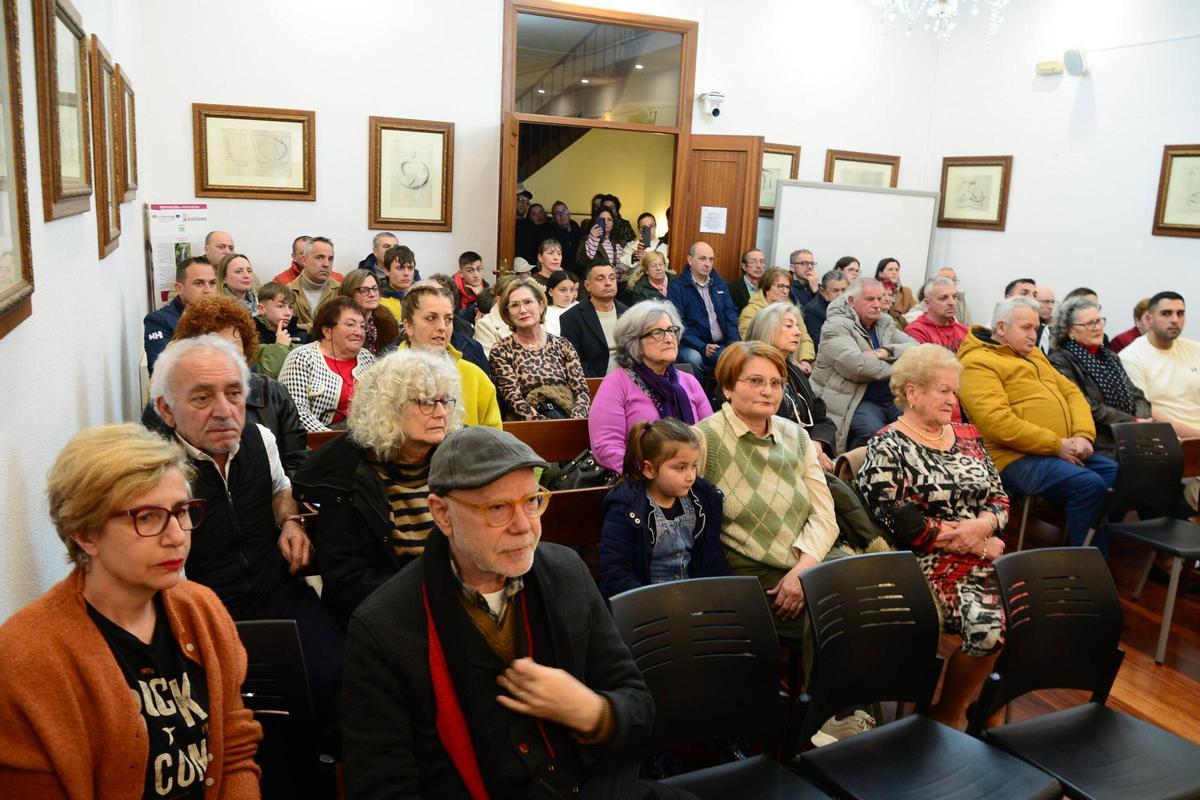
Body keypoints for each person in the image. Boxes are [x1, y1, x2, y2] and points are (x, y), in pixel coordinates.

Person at [341, 426, 656, 798]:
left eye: (532, 501)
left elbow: (639, 707)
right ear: (441, 514)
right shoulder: (383, 626)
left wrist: (592, 712)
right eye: (498, 508)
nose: (524, 527)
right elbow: (382, 787)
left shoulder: (566, 572)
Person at [0, 424, 263, 798]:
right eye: (147, 517)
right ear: (85, 534)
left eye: (182, 511)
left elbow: (234, 750)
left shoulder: (202, 610)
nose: (176, 536)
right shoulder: (27, 656)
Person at [151, 335, 344, 752]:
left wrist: (290, 520)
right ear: (167, 409)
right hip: (209, 615)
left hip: (279, 595)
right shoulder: (157, 471)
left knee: (340, 673)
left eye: (234, 393)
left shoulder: (260, 439)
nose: (224, 411)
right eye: (202, 398)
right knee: (244, 718)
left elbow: (280, 487)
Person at [857, 344, 1008, 727]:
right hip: (925, 560)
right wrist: (972, 539)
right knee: (989, 631)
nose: (952, 399)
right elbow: (897, 518)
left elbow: (999, 496)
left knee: (1036, 617)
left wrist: (985, 526)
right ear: (912, 391)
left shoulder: (967, 435)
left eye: (954, 392)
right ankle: (948, 713)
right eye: (943, 391)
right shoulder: (887, 444)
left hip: (982, 550)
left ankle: (988, 708)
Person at [292, 350, 463, 628]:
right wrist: (432, 594)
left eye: (444, 401)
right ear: (389, 408)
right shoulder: (345, 474)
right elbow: (346, 581)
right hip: (385, 616)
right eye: (426, 402)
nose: (442, 412)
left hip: (455, 606)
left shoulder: (458, 459)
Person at [694, 342, 839, 647]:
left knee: (874, 604)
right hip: (750, 574)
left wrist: (803, 570)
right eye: (756, 381)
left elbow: (825, 515)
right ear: (728, 388)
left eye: (776, 383)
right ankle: (830, 695)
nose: (768, 391)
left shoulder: (796, 435)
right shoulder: (704, 438)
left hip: (809, 562)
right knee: (835, 620)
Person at [959, 297, 1118, 550]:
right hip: (1011, 457)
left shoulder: (1034, 356)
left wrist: (1083, 436)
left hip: (1059, 448)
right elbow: (998, 424)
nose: (1034, 334)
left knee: (1114, 474)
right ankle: (1084, 563)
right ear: (1001, 328)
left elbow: (1073, 394)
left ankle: (1084, 547)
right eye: (1026, 328)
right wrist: (1057, 445)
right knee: (1088, 485)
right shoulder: (977, 362)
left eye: (1036, 327)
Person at [141, 294, 308, 477]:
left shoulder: (274, 392)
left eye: (236, 343)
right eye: (218, 345)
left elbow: (297, 461)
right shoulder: (168, 401)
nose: (230, 353)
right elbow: (155, 470)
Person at [599, 418, 729, 598]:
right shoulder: (627, 508)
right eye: (681, 468)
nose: (691, 476)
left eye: (693, 466)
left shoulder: (700, 502)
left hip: (696, 599)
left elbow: (712, 559)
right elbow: (615, 570)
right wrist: (651, 603)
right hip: (647, 606)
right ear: (649, 470)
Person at [589, 301, 712, 472]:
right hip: (641, 481)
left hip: (693, 478)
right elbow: (606, 446)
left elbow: (710, 437)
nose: (669, 338)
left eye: (671, 330)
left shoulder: (689, 382)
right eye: (657, 333)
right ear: (634, 342)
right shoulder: (616, 384)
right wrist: (648, 476)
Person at [811, 278, 917, 452]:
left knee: (915, 427)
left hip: (889, 396)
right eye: (869, 299)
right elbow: (859, 367)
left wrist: (883, 352)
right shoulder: (836, 325)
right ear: (852, 301)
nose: (877, 305)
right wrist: (900, 367)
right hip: (851, 398)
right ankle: (851, 473)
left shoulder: (884, 322)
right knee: (874, 433)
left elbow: (915, 349)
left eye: (879, 299)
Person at [1048, 296, 1152, 456]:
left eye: (1099, 321)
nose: (1097, 328)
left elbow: (1136, 394)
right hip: (1099, 440)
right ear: (1070, 330)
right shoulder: (1059, 361)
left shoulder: (1109, 356)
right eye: (1090, 323)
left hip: (1133, 433)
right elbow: (1084, 404)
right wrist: (1132, 422)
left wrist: (1142, 419)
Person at [400, 281, 503, 429]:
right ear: (408, 326)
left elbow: (494, 442)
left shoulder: (476, 377)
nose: (442, 327)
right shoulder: (382, 377)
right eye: (431, 318)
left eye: (448, 319)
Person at [746, 302, 836, 467]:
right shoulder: (750, 375)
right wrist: (809, 452)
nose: (798, 332)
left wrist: (817, 444)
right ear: (768, 331)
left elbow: (819, 415)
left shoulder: (793, 371)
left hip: (807, 452)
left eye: (797, 326)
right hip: (773, 460)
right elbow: (763, 430)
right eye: (789, 326)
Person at [489, 279, 590, 420]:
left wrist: (574, 421)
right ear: (508, 313)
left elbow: (581, 391)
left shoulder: (562, 345)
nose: (522, 310)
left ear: (541, 306)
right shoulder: (501, 350)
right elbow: (513, 399)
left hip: (568, 419)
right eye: (515, 305)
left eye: (528, 302)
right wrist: (546, 425)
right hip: (527, 428)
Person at [279, 296, 378, 432]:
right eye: (350, 324)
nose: (359, 332)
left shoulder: (368, 358)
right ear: (327, 331)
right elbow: (297, 412)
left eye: (362, 326)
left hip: (365, 438)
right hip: (316, 443)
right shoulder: (302, 357)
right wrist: (331, 441)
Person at [1120, 291, 1200, 439]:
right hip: (1167, 442)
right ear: (1149, 319)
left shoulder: (1196, 350)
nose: (1175, 320)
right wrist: (1196, 436)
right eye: (1166, 313)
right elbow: (1147, 413)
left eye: (1180, 313)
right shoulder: (1131, 357)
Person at [668, 241, 741, 377]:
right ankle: (697, 397)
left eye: (711, 259)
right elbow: (677, 324)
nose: (708, 263)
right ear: (690, 260)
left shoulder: (719, 283)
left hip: (720, 344)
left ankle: (724, 397)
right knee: (694, 359)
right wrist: (702, 346)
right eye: (702, 259)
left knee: (739, 356)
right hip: (691, 345)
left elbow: (731, 315)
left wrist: (733, 344)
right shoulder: (678, 287)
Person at [144, 256, 217, 374]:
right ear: (179, 288)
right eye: (199, 283)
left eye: (212, 283)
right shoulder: (159, 321)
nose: (208, 290)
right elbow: (160, 370)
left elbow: (248, 363)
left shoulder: (226, 315)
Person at [736, 268, 816, 371]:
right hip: (765, 366)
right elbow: (754, 344)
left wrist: (805, 360)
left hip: (794, 367)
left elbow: (805, 338)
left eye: (787, 287)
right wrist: (794, 365)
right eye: (780, 286)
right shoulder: (751, 312)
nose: (785, 291)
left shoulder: (792, 311)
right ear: (767, 288)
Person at [559, 262, 628, 377]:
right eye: (601, 279)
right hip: (593, 385)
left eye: (612, 278)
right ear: (587, 286)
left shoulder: (628, 313)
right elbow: (573, 362)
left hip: (628, 383)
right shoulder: (571, 318)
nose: (608, 283)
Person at [338, 268, 401, 357]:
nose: (372, 294)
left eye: (375, 289)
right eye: (364, 290)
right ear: (350, 293)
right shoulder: (338, 324)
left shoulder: (388, 323)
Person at [255, 281, 310, 379]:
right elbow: (268, 375)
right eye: (280, 306)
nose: (288, 313)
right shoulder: (252, 335)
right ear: (262, 309)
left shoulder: (302, 335)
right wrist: (280, 346)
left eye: (290, 307)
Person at [288, 236, 341, 332]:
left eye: (330, 259)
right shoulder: (288, 292)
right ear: (304, 260)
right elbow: (286, 329)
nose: (326, 264)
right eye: (319, 257)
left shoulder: (341, 291)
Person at [904, 276, 969, 351]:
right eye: (943, 298)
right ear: (927, 303)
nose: (952, 303)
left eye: (954, 297)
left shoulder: (964, 331)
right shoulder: (916, 332)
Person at [272, 235, 346, 285]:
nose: (326, 264)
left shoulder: (338, 279)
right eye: (302, 253)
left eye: (330, 258)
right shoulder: (280, 281)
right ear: (294, 256)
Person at [803, 268, 848, 350]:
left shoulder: (852, 305)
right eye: (835, 291)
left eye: (844, 290)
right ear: (822, 291)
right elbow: (820, 343)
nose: (840, 295)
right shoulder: (813, 311)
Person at [473, 275, 518, 357]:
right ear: (499, 300)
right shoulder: (485, 324)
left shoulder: (529, 317)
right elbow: (490, 360)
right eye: (512, 297)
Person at [378, 244, 419, 320]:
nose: (406, 273)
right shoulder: (376, 298)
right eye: (400, 268)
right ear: (387, 271)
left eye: (410, 268)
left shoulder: (422, 296)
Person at [576, 207, 619, 275]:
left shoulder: (620, 243)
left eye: (609, 219)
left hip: (617, 283)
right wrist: (593, 238)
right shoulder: (586, 240)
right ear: (596, 221)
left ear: (613, 222)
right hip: (596, 281)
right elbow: (582, 262)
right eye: (602, 220)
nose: (606, 222)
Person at [876, 257, 915, 329]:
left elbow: (916, 310)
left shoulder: (906, 292)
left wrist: (903, 318)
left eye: (897, 270)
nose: (894, 273)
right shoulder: (871, 290)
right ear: (880, 273)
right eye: (890, 269)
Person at [217, 252, 258, 317]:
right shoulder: (219, 308)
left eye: (249, 271)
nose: (247, 275)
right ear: (224, 278)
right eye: (238, 272)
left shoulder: (258, 303)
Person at [548, 200, 583, 277]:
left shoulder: (577, 229)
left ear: (569, 214)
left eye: (564, 211)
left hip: (579, 274)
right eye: (557, 213)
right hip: (560, 274)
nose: (561, 215)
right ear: (554, 217)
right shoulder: (550, 234)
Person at [543, 269, 578, 336]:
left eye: (572, 290)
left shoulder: (579, 306)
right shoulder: (545, 313)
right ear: (551, 292)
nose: (568, 294)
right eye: (563, 290)